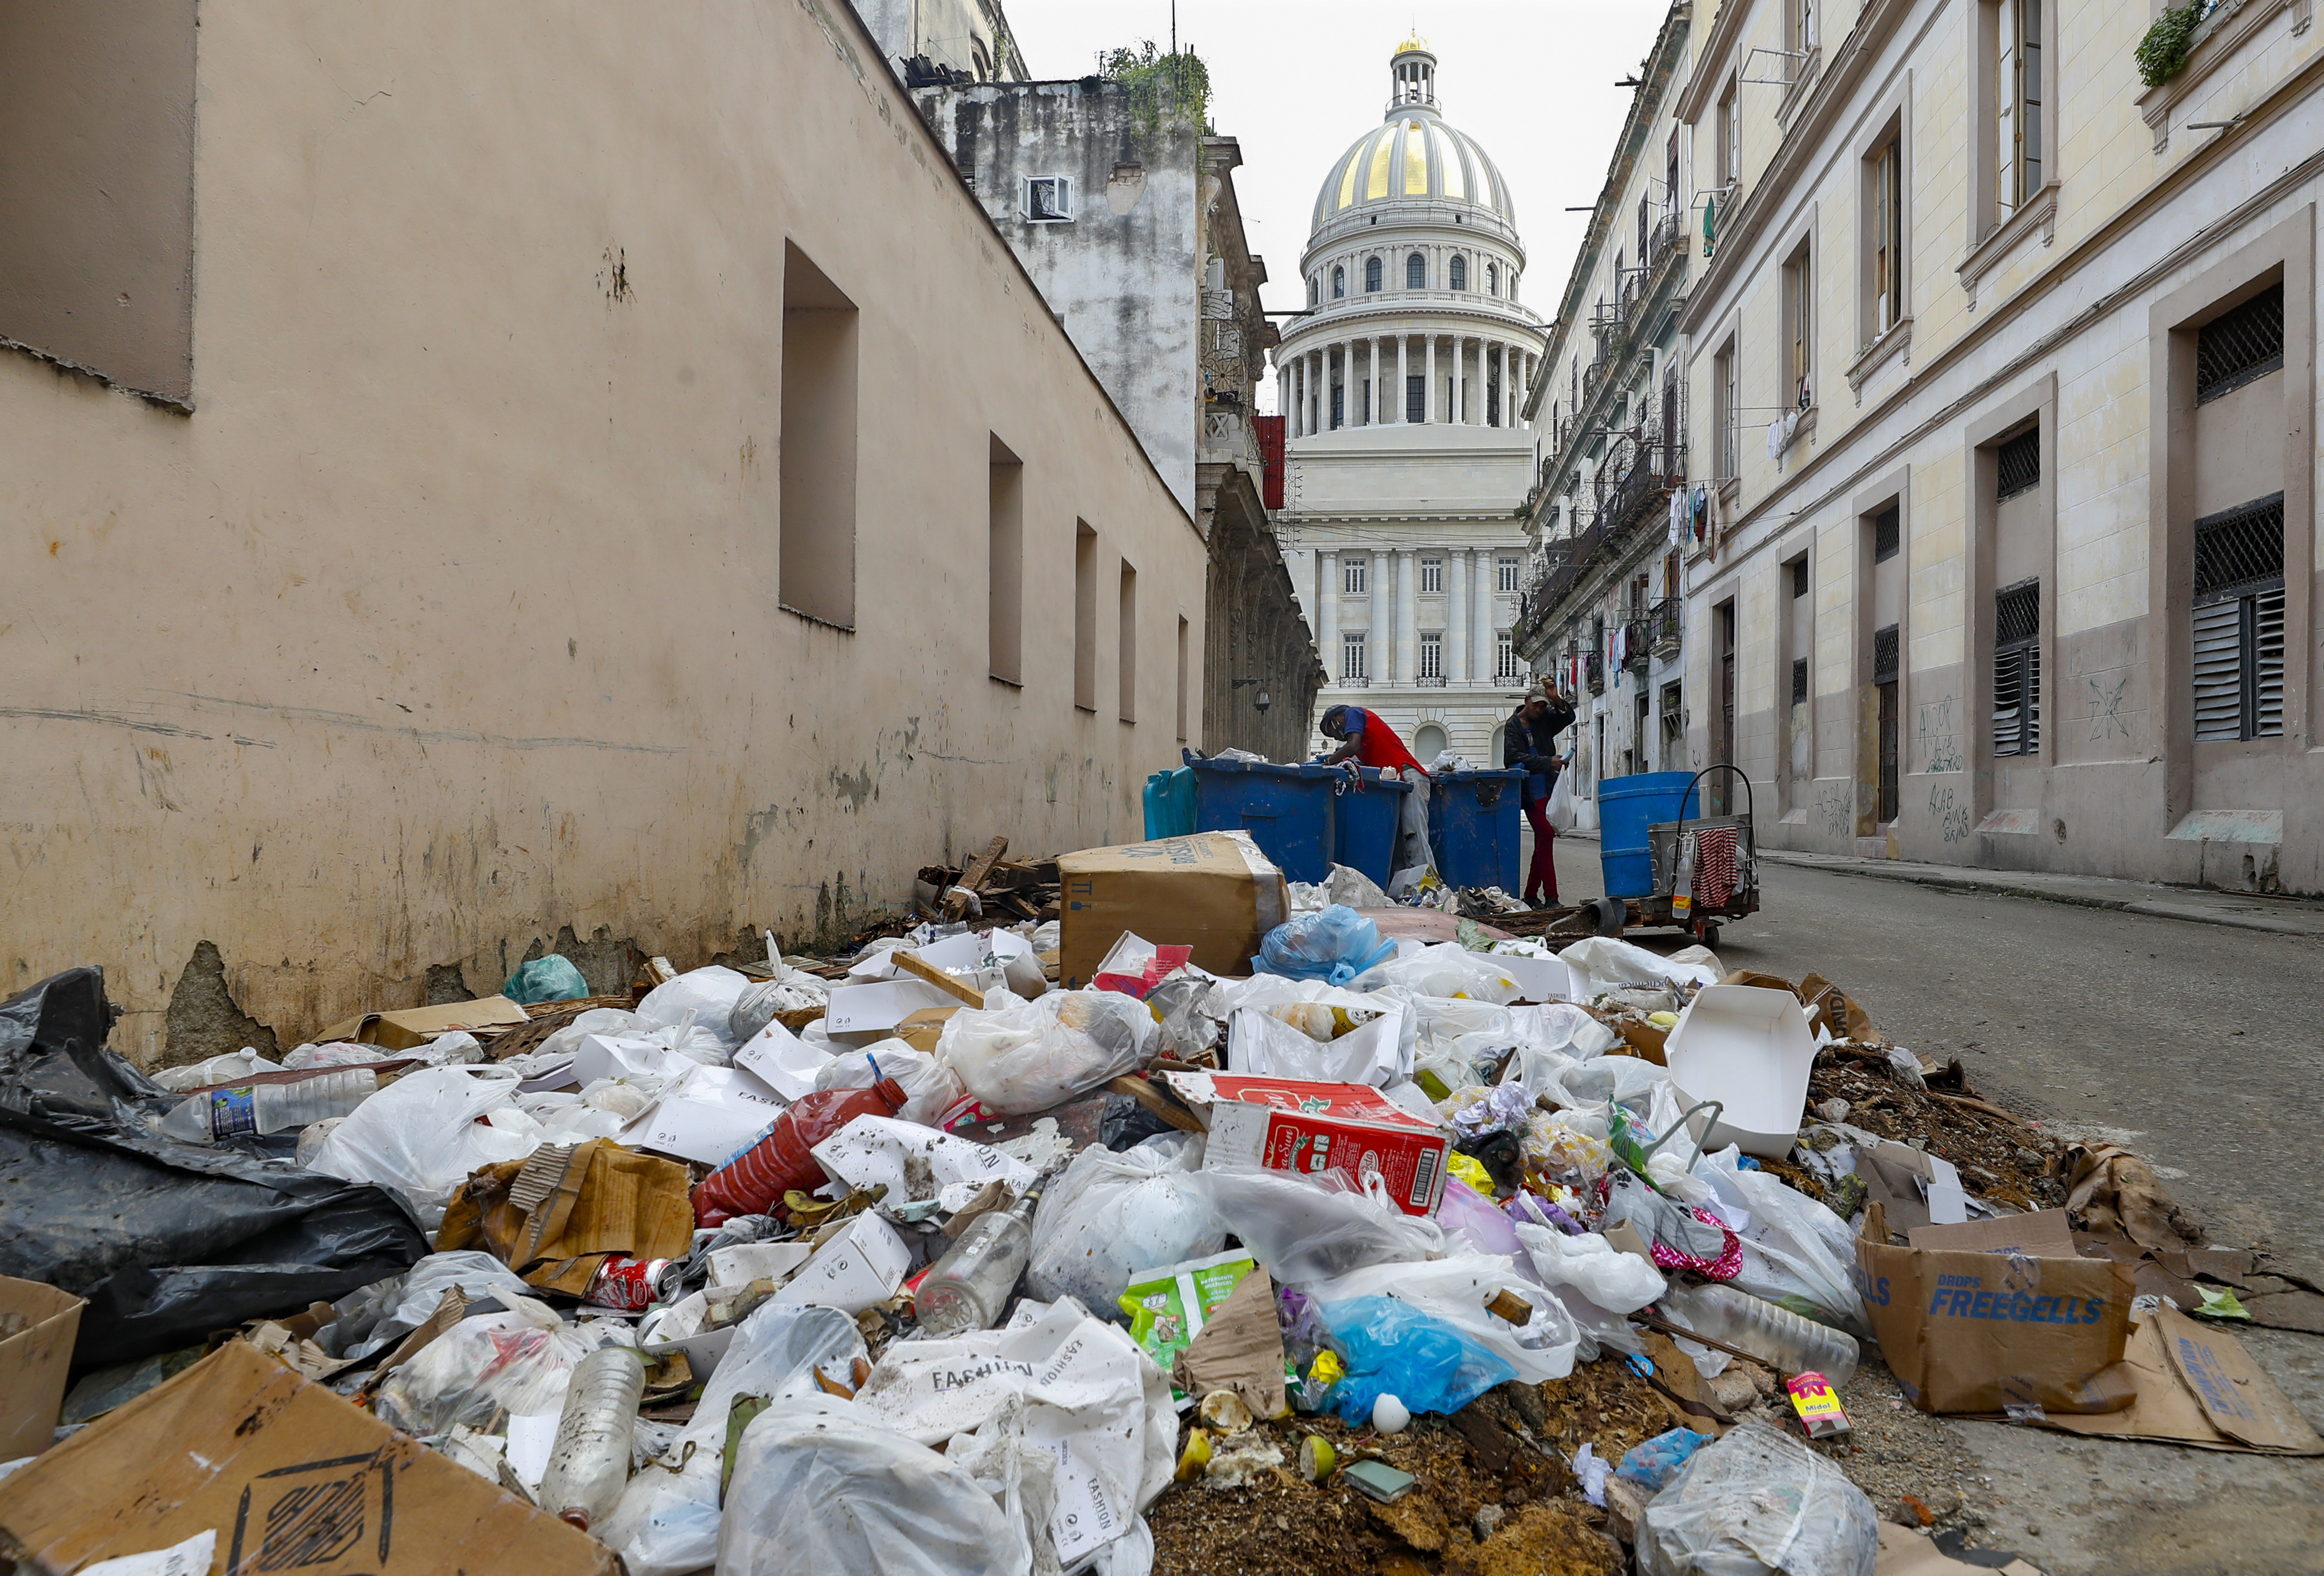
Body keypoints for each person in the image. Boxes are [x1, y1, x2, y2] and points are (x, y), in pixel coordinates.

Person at [1318, 705, 1435, 877]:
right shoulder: (1363, 739)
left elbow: (1352, 746)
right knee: (1399, 843)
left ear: (1337, 720)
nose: (1340, 736)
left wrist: (1329, 762)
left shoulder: (1354, 713)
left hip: (1409, 776)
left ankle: (1432, 887)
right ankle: (1409, 891)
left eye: (1335, 732)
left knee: (1414, 836)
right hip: (1397, 784)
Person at [1505, 685, 1577, 907]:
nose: (1539, 708)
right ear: (1527, 700)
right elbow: (1512, 758)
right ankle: (1552, 897)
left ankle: (1530, 894)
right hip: (1530, 793)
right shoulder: (1513, 726)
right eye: (1536, 703)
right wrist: (1548, 762)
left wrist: (1556, 698)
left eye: (1543, 705)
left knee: (1543, 840)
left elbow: (1568, 717)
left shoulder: (1544, 720)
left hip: (1547, 788)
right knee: (1546, 835)